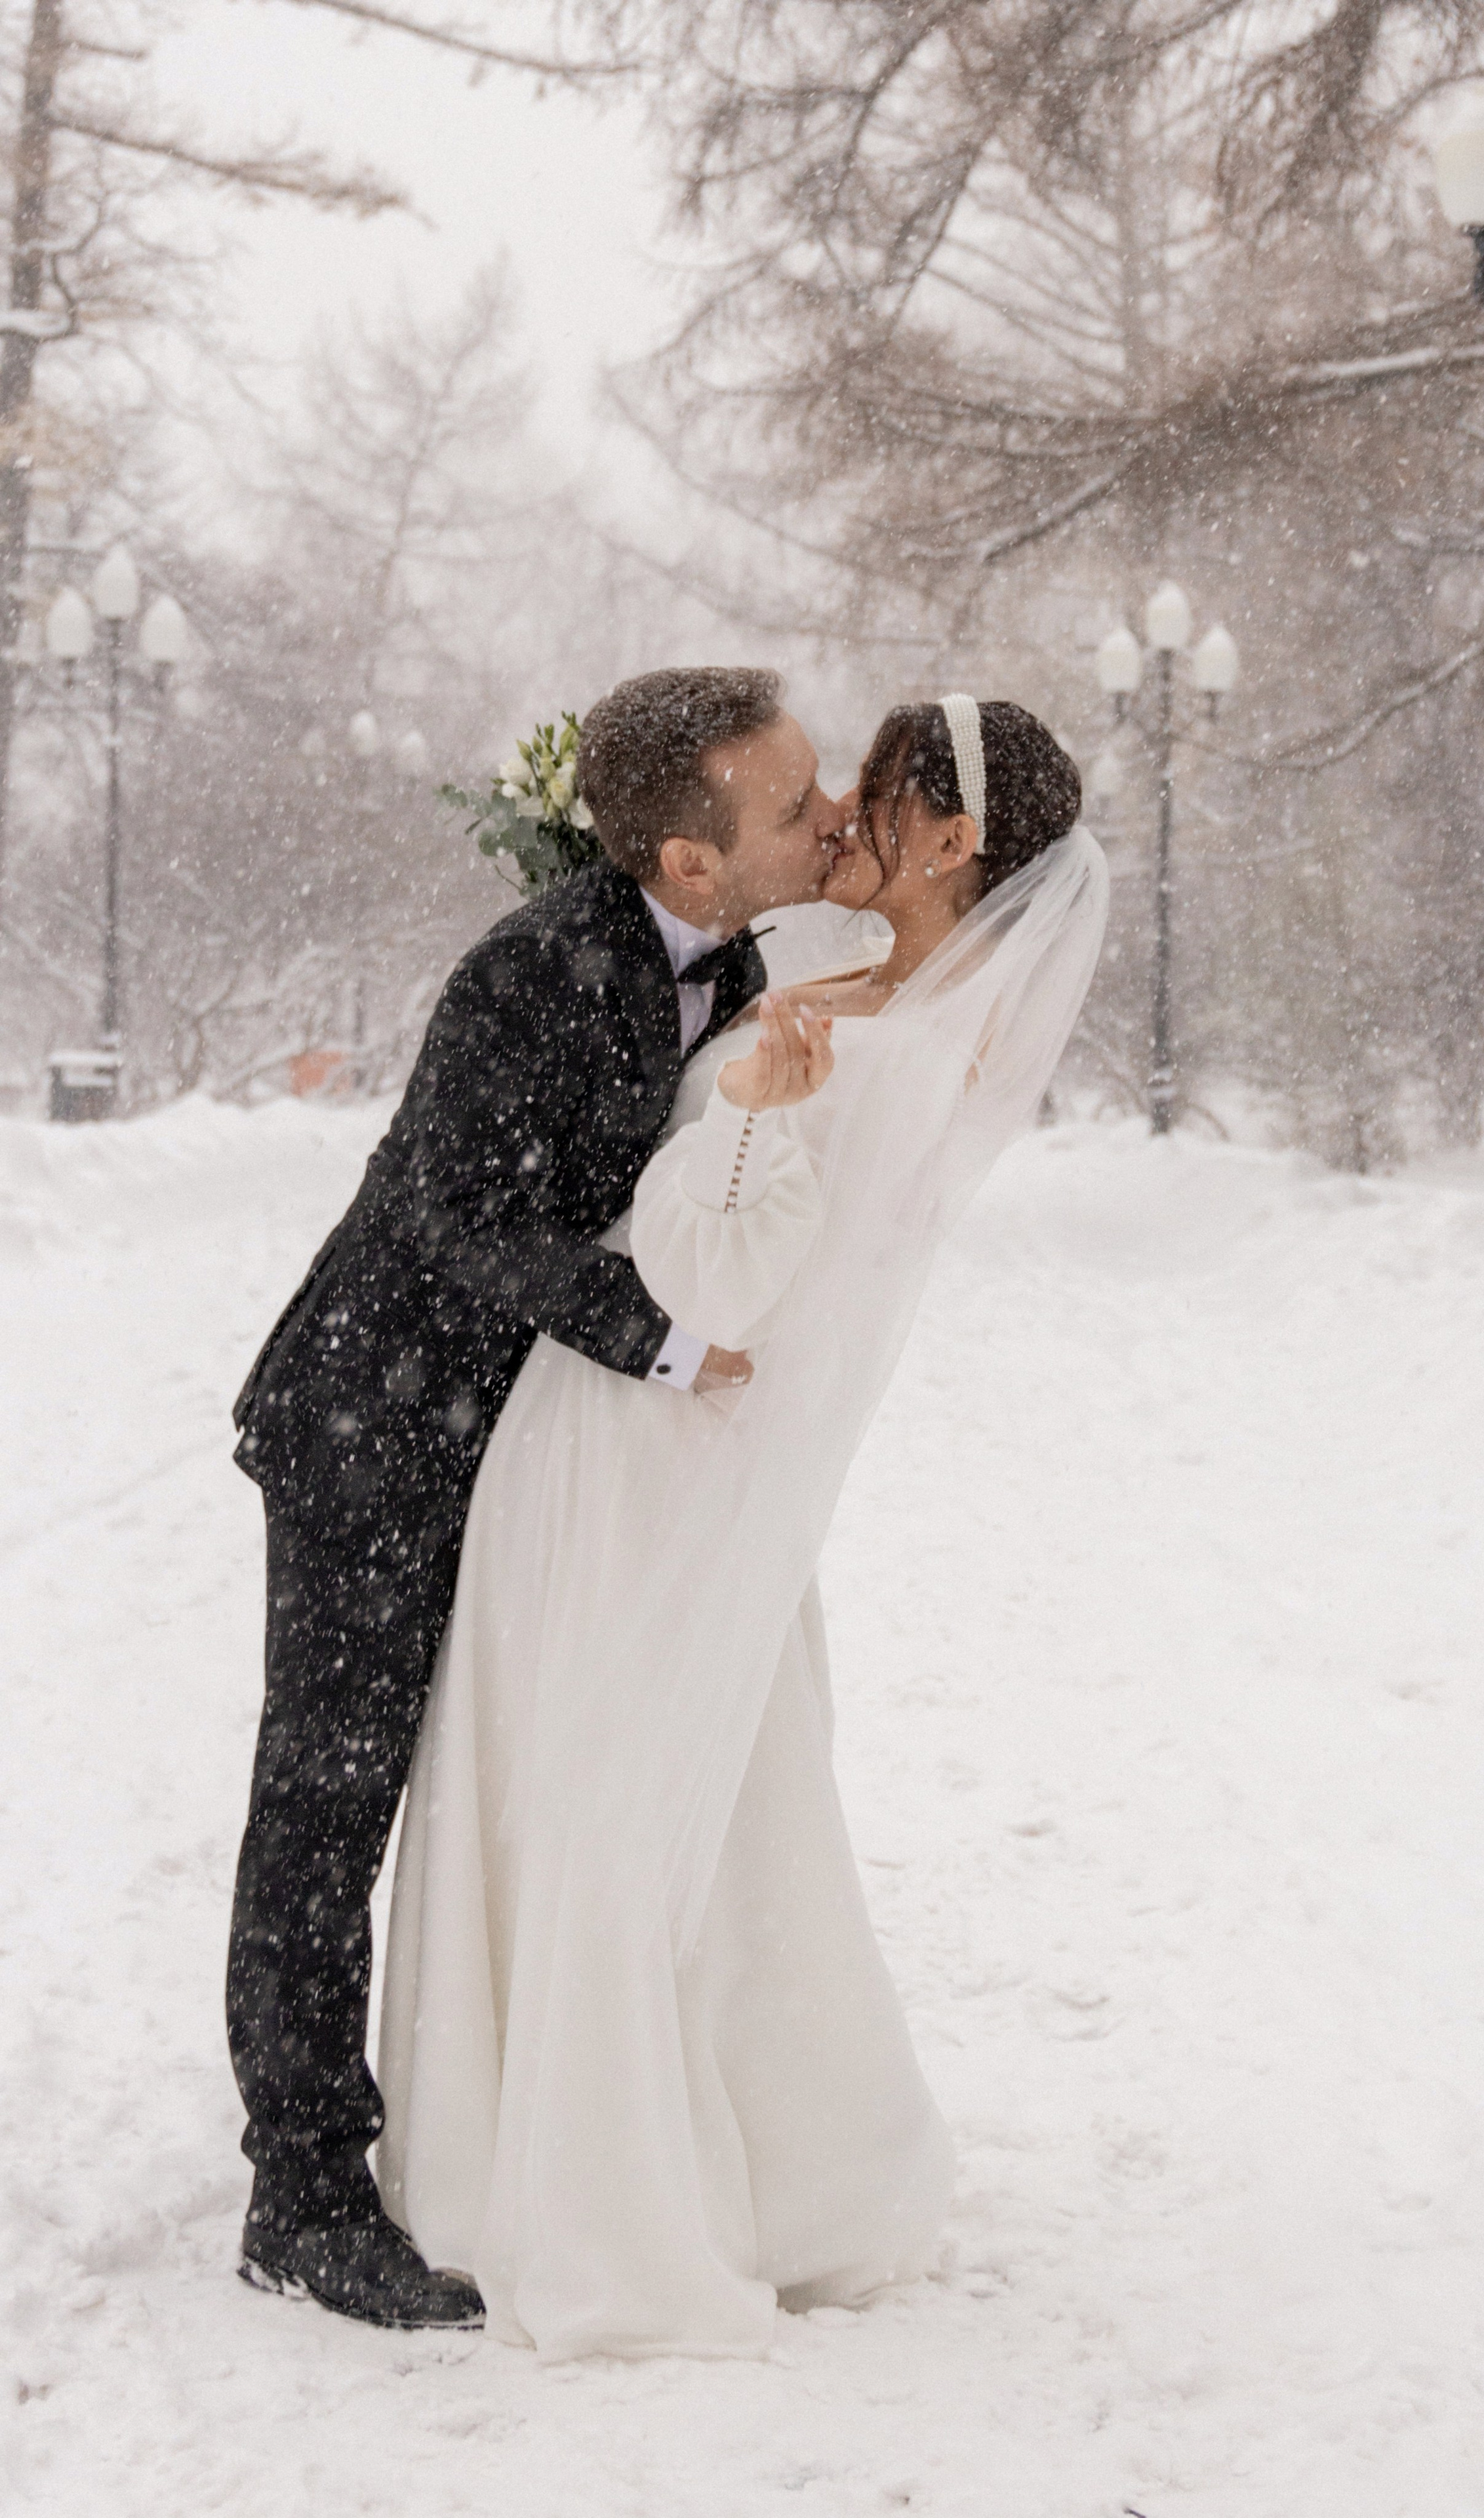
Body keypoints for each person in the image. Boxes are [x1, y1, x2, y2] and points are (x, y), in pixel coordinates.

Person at [374, 694, 1108, 2358]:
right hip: (670, 1461)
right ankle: (790, 2166)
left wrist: (763, 1102)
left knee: (594, 1815)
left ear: (946, 840)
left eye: (876, 785)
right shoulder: (893, 1003)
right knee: (691, 1812)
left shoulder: (883, 1048)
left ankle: (600, 2194)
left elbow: (714, 1279)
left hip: (639, 1467)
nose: (840, 802)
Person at [226, 668, 847, 2329]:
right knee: (328, 1804)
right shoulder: (527, 976)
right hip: (374, 1426)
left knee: (486, 1787)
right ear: (687, 861)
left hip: (504, 1448)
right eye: (793, 805)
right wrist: (668, 1336)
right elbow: (457, 1221)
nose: (829, 813)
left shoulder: (737, 955)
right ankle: (299, 2194)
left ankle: (483, 2124)